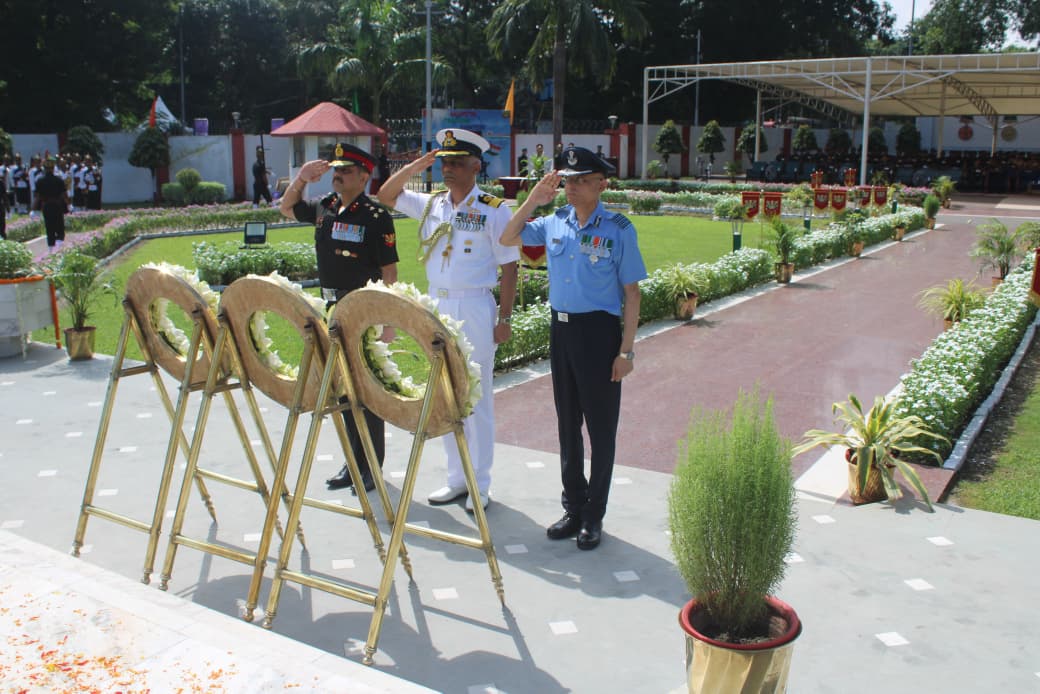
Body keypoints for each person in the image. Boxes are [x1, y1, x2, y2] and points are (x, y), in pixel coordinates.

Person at [501, 146, 646, 550]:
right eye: (568, 180)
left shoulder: (618, 229)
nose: (572, 187)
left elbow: (631, 294)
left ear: (601, 184)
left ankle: (594, 515)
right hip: (561, 332)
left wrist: (627, 351)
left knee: (601, 431)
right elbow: (508, 236)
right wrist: (533, 198)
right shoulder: (553, 222)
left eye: (581, 180)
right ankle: (573, 506)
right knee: (567, 426)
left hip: (599, 335)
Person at [377, 128, 519, 512]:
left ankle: (480, 483)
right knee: (443, 394)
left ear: (476, 165)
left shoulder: (493, 208)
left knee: (477, 396)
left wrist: (504, 318)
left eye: (457, 163)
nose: (449, 170)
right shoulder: (432, 204)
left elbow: (510, 268)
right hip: (436, 308)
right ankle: (457, 479)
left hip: (474, 308)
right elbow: (386, 196)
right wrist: (414, 167)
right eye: (444, 163)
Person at [279, 142, 399, 493]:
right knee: (344, 392)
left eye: (346, 170)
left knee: (366, 390)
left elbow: (389, 271)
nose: (337, 175)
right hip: (331, 311)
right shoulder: (325, 207)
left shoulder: (375, 216)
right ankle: (353, 461)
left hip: (363, 311)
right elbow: (287, 207)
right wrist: (301, 178)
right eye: (336, 170)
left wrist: (388, 320)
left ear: (364, 176)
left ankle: (371, 467)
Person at [34, 157, 69, 250]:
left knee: (49, 227)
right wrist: (68, 205)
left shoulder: (40, 181)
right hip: (57, 205)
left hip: (46, 206)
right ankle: (58, 247)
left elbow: (38, 196)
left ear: (44, 169)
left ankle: (51, 249)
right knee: (60, 227)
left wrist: (34, 208)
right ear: (53, 169)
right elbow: (64, 195)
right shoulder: (59, 180)